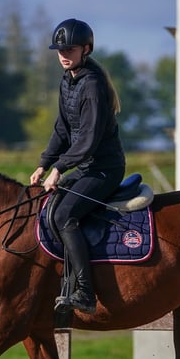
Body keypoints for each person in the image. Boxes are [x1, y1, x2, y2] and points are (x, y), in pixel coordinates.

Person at [30, 18, 126, 314]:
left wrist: (60, 168)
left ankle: (84, 291)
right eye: (59, 49)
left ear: (86, 49)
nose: (63, 54)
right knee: (51, 207)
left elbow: (89, 138)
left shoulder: (93, 85)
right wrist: (44, 164)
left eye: (69, 49)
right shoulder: (68, 80)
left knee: (64, 215)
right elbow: (63, 128)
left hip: (104, 169)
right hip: (86, 167)